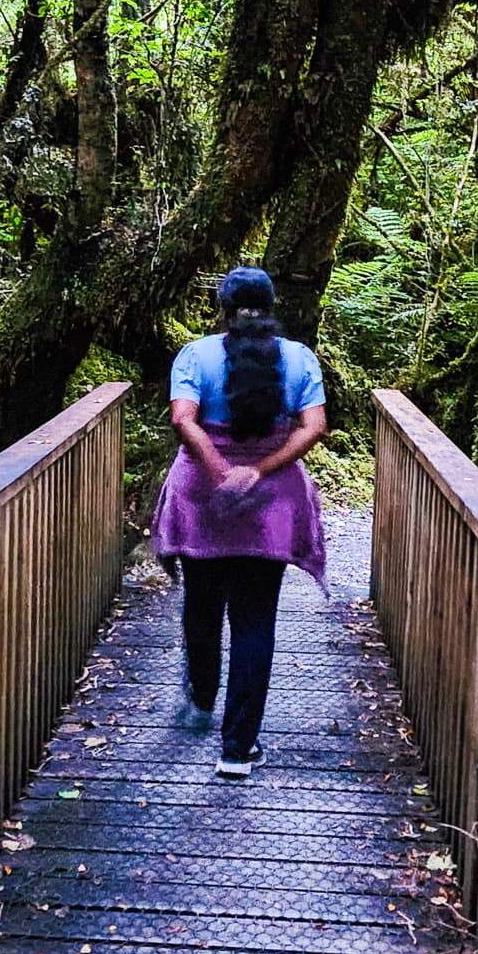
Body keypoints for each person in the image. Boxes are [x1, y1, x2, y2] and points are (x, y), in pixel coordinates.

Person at [152, 266, 327, 778]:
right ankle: (238, 749)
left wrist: (218, 470)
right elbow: (312, 426)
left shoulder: (195, 355)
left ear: (223, 311)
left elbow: (183, 418)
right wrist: (258, 470)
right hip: (270, 504)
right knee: (254, 620)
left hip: (201, 501)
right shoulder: (299, 358)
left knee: (201, 601)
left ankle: (202, 697)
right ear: (271, 308)